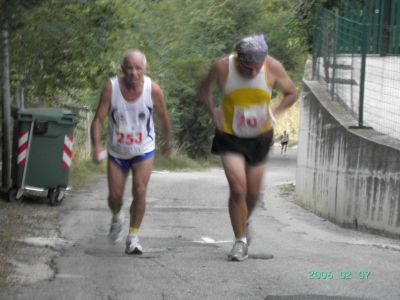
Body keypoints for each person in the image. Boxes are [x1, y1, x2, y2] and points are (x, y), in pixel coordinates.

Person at [199, 34, 297, 261]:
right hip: (230, 136)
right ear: (238, 61)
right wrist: (213, 110)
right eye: (247, 68)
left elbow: (292, 93)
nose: (252, 73)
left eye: (256, 68)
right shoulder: (222, 68)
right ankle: (240, 241)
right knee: (237, 187)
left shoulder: (272, 66)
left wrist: (275, 112)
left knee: (253, 193)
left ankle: (246, 219)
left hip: (259, 137)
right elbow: (204, 90)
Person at [91, 49, 173, 255]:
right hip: (117, 151)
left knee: (140, 190)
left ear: (145, 69)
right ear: (122, 69)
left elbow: (163, 118)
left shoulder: (153, 90)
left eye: (138, 68)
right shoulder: (111, 88)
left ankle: (133, 237)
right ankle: (117, 215)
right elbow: (99, 119)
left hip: (143, 149)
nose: (133, 73)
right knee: (115, 196)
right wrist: (96, 145)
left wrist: (168, 142)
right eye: (129, 68)